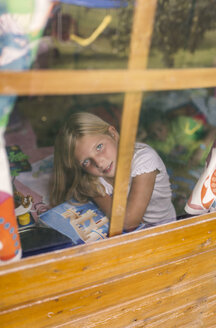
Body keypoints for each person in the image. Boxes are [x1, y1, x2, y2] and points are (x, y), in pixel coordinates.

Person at [50, 112, 176, 232]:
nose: (99, 163)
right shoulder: (92, 178)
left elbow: (129, 223)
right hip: (139, 232)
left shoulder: (144, 159)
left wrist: (95, 193)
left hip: (167, 229)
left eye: (99, 147)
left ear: (113, 134)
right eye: (86, 162)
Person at [140, 108, 216, 167]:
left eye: (160, 129)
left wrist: (201, 149)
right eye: (153, 134)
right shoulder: (153, 143)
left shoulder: (181, 124)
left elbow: (213, 130)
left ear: (165, 123)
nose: (158, 135)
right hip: (205, 167)